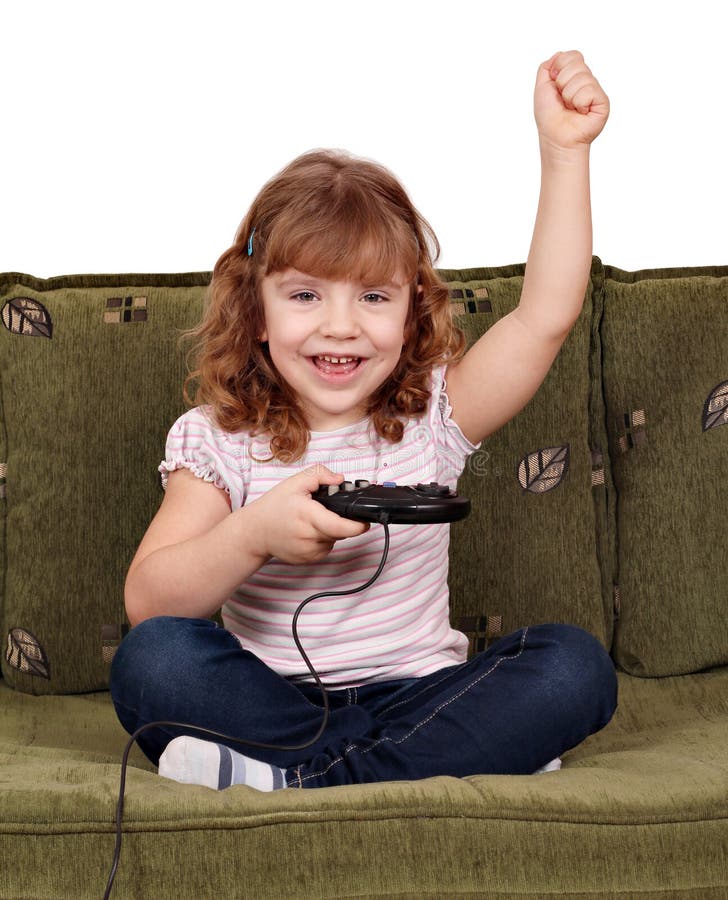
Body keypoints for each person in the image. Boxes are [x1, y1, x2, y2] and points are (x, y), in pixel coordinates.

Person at [110, 50, 618, 791]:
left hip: (421, 695)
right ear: (255, 310)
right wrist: (254, 535)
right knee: (152, 661)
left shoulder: (437, 414)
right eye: (306, 296)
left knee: (575, 666)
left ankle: (297, 782)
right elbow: (149, 605)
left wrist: (564, 151)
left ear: (412, 309)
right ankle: (420, 765)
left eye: (373, 298)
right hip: (271, 703)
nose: (341, 327)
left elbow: (545, 317)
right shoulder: (220, 437)